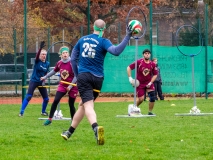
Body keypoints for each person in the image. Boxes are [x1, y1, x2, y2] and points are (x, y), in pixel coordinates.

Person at [60, 19, 133, 145]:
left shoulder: (82, 39)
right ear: (104, 29)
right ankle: (69, 132)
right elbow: (116, 52)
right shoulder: (104, 41)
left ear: (92, 27)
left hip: (84, 77)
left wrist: (78, 77)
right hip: (98, 79)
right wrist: (127, 36)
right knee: (82, 104)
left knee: (88, 105)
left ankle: (95, 128)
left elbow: (73, 60)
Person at [41, 46, 78, 126]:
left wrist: (70, 87)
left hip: (72, 85)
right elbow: (53, 71)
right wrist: (45, 77)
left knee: (71, 104)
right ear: (61, 55)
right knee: (55, 100)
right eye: (63, 53)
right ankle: (50, 119)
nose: (65, 54)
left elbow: (76, 76)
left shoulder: (72, 63)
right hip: (63, 85)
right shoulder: (59, 63)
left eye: (66, 53)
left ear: (69, 54)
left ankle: (73, 120)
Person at [19, 41, 50, 117]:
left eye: (45, 54)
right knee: (29, 96)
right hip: (34, 81)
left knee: (46, 99)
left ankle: (43, 112)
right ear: (39, 55)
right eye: (42, 54)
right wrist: (40, 49)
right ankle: (21, 112)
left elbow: (46, 73)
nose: (44, 56)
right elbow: (36, 56)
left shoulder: (47, 63)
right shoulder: (37, 61)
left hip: (41, 81)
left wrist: (44, 79)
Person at [127, 49, 158, 115]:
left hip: (148, 83)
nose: (147, 54)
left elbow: (155, 74)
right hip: (139, 83)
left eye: (148, 53)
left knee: (152, 97)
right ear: (143, 55)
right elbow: (129, 67)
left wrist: (150, 82)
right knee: (141, 99)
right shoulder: (139, 62)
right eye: (146, 53)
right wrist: (130, 78)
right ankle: (133, 109)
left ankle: (150, 112)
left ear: (150, 55)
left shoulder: (152, 64)